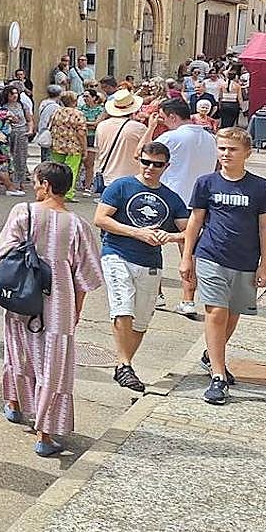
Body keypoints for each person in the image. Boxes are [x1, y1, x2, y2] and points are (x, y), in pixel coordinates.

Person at [0, 163, 102, 457]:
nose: (34, 186)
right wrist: (77, 310)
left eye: (35, 182)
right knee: (53, 365)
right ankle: (45, 432)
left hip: (20, 296)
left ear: (45, 184)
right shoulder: (79, 225)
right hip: (59, 303)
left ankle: (16, 404)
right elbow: (86, 277)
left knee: (19, 350)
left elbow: (3, 254)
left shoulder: (23, 212)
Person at [181, 128, 266, 405]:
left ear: (247, 153)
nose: (226, 154)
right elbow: (195, 222)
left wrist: (265, 265)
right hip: (211, 255)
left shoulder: (260, 187)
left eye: (232, 149)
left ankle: (211, 355)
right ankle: (218, 376)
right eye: (222, 148)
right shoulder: (206, 183)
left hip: (246, 261)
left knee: (233, 315)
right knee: (216, 313)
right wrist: (187, 257)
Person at [93, 144, 189, 392]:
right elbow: (101, 218)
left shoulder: (172, 198)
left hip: (150, 263)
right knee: (122, 306)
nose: (150, 168)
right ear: (139, 161)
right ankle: (124, 364)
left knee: (140, 322)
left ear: (166, 166)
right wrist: (136, 233)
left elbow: (190, 231)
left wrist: (169, 237)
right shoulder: (121, 186)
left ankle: (124, 366)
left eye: (157, 164)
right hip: (116, 253)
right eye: (146, 162)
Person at [146, 99, 217, 317]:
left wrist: (150, 128)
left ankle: (156, 294)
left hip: (169, 197)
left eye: (165, 118)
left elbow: (144, 153)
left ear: (173, 116)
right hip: (197, 203)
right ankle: (188, 300)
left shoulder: (171, 137)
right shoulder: (210, 138)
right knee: (189, 252)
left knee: (151, 245)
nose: (164, 122)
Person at [94, 89, 148, 187]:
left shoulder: (101, 125)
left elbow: (98, 149)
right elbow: (147, 150)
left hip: (106, 177)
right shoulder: (139, 128)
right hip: (130, 179)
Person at [48, 91, 87, 201]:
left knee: (56, 170)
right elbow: (81, 133)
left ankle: (55, 192)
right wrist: (85, 148)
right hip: (73, 147)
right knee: (71, 170)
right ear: (74, 101)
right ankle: (68, 193)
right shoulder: (78, 114)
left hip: (57, 145)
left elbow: (50, 126)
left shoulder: (57, 112)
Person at [79, 89, 105, 194]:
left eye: (87, 96)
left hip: (92, 137)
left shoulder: (100, 109)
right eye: (84, 96)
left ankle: (88, 186)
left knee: (89, 163)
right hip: (81, 136)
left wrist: (85, 123)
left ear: (94, 98)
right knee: (79, 162)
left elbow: (97, 123)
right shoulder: (81, 108)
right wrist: (89, 123)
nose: (85, 99)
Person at [35, 84, 63, 163]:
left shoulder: (43, 102)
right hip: (49, 131)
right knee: (48, 155)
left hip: (42, 130)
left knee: (44, 153)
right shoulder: (55, 106)